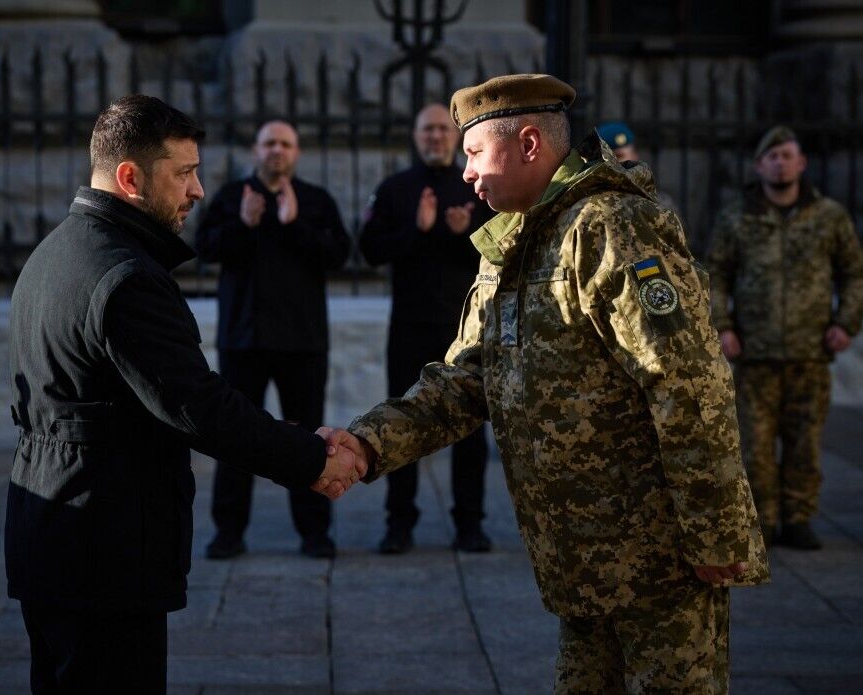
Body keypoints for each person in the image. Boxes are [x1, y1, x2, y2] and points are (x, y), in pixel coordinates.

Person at [322, 73, 770, 692]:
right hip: (577, 563)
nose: (465, 173)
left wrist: (716, 530)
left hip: (658, 562)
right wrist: (367, 444)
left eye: (475, 153)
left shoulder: (610, 226)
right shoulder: (511, 242)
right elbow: (465, 378)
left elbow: (687, 386)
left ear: (529, 143)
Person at [5, 95, 362, 694]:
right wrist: (311, 459)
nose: (196, 190)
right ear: (130, 178)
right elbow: (199, 406)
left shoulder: (56, 250)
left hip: (52, 536)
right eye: (184, 173)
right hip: (104, 550)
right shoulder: (125, 278)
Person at [195, 120, 352, 560]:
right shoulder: (231, 198)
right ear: (256, 150)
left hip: (302, 343)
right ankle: (228, 532)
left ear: (296, 152)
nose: (276, 150)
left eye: (285, 143)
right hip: (244, 341)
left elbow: (339, 254)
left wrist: (295, 223)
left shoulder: (315, 200)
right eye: (269, 143)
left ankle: (314, 532)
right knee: (234, 440)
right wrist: (244, 225)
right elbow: (204, 248)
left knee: (311, 441)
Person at [708, 125, 863, 550]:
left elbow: (853, 273)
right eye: (772, 157)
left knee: (805, 444)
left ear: (802, 163)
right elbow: (716, 274)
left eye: (787, 155)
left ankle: (798, 518)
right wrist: (723, 326)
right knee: (755, 447)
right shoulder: (737, 216)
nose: (780, 163)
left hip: (810, 352)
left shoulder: (829, 216)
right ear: (759, 165)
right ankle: (764, 521)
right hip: (754, 352)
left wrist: (846, 323)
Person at [359, 103, 495, 554]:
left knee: (470, 430)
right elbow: (370, 249)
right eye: (427, 130)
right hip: (411, 328)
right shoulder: (396, 189)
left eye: (442, 129)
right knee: (400, 421)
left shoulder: (477, 188)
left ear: (455, 137)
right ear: (416, 136)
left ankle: (469, 524)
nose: (435, 137)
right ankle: (399, 524)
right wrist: (416, 231)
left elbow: (504, 251)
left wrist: (467, 230)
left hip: (467, 331)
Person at [596, 120, 678, 213]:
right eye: (608, 157)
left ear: (634, 156)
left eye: (620, 156)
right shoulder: (587, 204)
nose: (614, 162)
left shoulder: (659, 203)